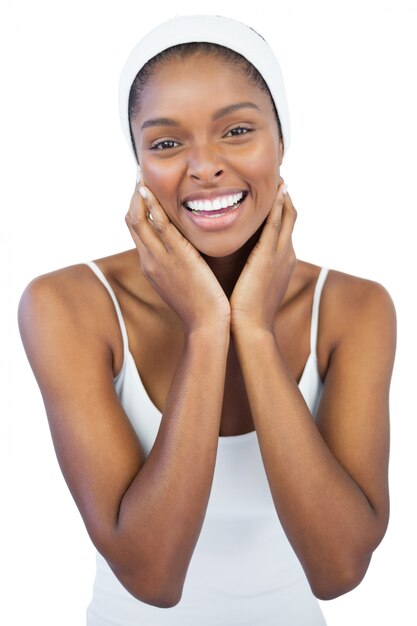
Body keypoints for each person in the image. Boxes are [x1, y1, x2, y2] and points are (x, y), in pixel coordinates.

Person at [17, 14, 397, 626]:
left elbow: (339, 570)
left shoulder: (355, 308)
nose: (204, 166)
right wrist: (203, 329)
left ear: (282, 140)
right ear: (138, 162)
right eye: (166, 143)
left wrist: (250, 328)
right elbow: (153, 576)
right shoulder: (67, 304)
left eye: (237, 130)